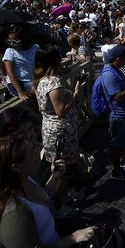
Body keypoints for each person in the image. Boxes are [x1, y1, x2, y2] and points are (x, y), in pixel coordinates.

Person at [33, 47, 87, 204]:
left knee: (58, 165)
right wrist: (76, 94)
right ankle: (62, 200)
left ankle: (62, 195)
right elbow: (60, 111)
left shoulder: (40, 78)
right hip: (60, 130)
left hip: (50, 127)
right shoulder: (54, 82)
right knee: (61, 167)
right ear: (55, 61)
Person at [99, 45, 125, 181]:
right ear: (117, 59)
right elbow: (118, 96)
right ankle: (117, 171)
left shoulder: (114, 69)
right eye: (124, 59)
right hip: (117, 114)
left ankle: (122, 161)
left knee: (120, 142)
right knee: (116, 143)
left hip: (122, 113)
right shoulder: (109, 74)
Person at [3, 25, 39, 101]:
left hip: (33, 79)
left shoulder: (35, 48)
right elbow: (10, 72)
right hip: (18, 83)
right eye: (9, 41)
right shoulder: (10, 51)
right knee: (42, 87)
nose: (11, 44)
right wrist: (20, 91)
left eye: (14, 42)